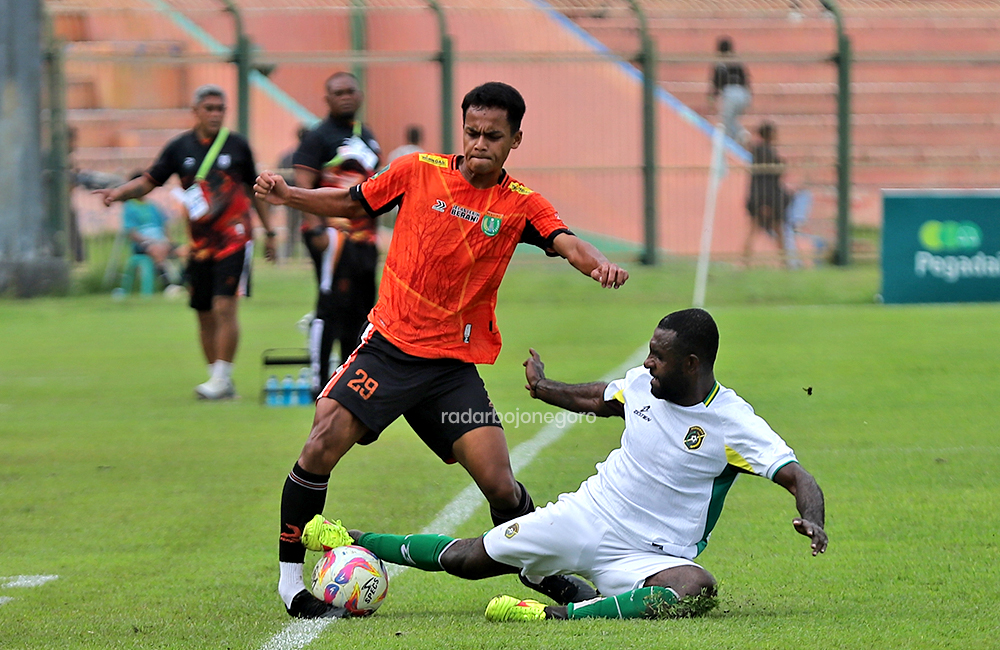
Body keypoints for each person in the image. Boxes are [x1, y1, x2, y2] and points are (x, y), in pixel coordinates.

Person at [254, 81, 630, 619]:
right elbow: (355, 203)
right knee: (321, 442)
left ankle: (544, 575)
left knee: (500, 484)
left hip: (450, 370)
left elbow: (566, 240)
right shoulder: (418, 171)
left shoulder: (520, 204)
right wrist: (289, 195)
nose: (480, 143)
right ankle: (293, 586)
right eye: (473, 132)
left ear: (516, 139)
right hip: (388, 350)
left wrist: (600, 266)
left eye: (493, 136)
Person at [301, 308, 828, 621]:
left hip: (651, 555)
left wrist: (813, 518)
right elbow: (604, 398)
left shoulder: (735, 424)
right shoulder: (646, 384)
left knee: (696, 589)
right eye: (648, 352)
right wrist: (543, 387)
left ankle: (558, 614)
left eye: (657, 356)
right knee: (468, 561)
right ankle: (351, 536)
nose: (646, 363)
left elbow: (798, 476)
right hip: (587, 515)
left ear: (692, 364)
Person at [95, 84, 276, 399]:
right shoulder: (180, 148)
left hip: (234, 238)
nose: (216, 114)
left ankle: (222, 377)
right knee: (203, 311)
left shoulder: (237, 146)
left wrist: (269, 232)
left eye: (220, 108)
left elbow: (254, 189)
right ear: (195, 111)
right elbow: (150, 182)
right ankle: (218, 380)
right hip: (200, 245)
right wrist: (119, 193)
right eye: (209, 108)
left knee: (224, 306)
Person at [292, 72, 382, 396]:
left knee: (363, 308)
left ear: (359, 95)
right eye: (337, 92)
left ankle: (349, 375)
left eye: (350, 91)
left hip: (365, 238)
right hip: (332, 236)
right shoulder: (318, 137)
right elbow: (303, 186)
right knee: (331, 305)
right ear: (327, 99)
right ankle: (319, 379)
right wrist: (316, 228)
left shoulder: (368, 136)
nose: (345, 97)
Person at [121, 171, 188, 291]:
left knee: (186, 252)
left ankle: (181, 283)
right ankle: (167, 285)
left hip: (161, 241)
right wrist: (150, 241)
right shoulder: (129, 207)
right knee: (157, 250)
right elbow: (131, 232)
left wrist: (168, 241)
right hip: (144, 244)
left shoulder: (153, 206)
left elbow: (164, 226)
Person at [745, 121, 791, 267]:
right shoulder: (766, 153)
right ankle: (784, 263)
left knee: (754, 231)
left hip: (760, 195)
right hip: (767, 197)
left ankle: (745, 262)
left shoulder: (758, 151)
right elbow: (774, 174)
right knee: (776, 230)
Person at [709, 36, 752, 144]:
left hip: (730, 93)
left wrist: (711, 98)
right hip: (743, 93)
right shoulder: (737, 62)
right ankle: (740, 135)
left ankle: (735, 141)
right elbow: (746, 79)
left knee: (726, 122)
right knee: (732, 120)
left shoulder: (720, 64)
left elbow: (716, 84)